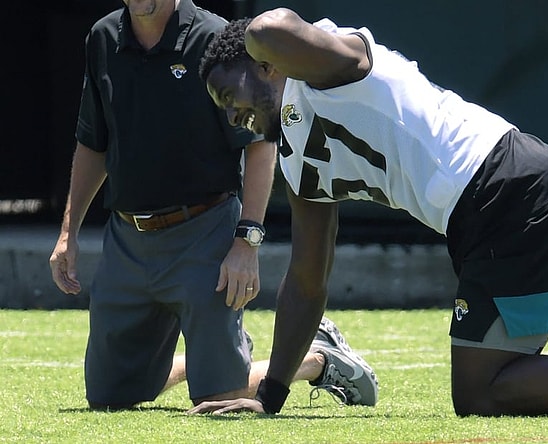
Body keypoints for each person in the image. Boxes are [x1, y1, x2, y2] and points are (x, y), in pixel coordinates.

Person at [188, 10, 548, 417]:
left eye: (228, 94)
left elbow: (268, 28)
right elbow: (308, 282)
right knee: (492, 386)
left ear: (265, 66)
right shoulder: (294, 159)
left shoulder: (332, 61)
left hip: (512, 187)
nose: (230, 113)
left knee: (481, 393)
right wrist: (270, 397)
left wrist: (255, 48)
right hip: (496, 209)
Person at [48, 0, 376, 410]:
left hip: (205, 234)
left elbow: (260, 142)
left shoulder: (215, 37)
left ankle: (319, 358)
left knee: (220, 400)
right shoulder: (102, 37)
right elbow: (93, 140)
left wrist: (247, 241)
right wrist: (68, 233)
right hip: (127, 240)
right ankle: (212, 360)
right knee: (110, 399)